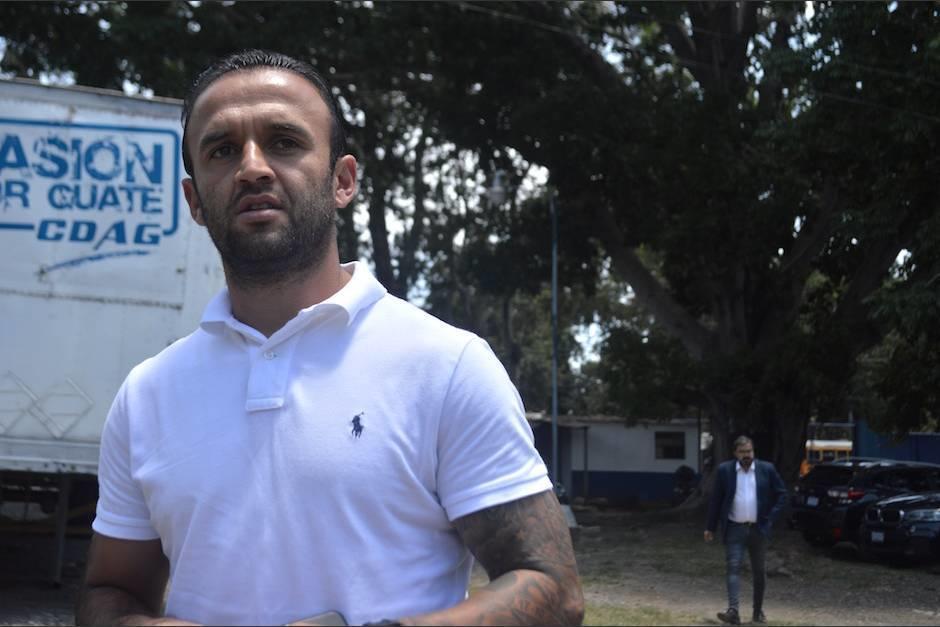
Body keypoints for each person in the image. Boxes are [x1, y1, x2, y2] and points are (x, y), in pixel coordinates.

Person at [75, 49, 583, 627]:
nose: (253, 168)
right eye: (221, 150)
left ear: (343, 181)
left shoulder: (445, 366)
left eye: (284, 142)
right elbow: (108, 595)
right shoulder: (148, 395)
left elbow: (552, 591)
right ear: (194, 201)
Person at [704, 435, 787, 625]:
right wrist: (710, 527)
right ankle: (733, 611)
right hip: (735, 527)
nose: (747, 455)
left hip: (758, 529)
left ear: (753, 451)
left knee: (759, 571)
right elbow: (716, 500)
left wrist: (771, 517)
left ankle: (757, 612)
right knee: (733, 567)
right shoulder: (725, 471)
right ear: (735, 454)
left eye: (749, 451)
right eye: (742, 452)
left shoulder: (767, 469)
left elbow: (782, 494)